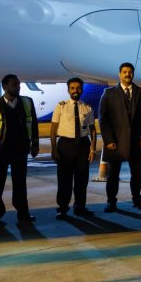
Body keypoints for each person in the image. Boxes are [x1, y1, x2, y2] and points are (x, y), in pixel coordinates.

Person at [0, 74, 39, 225]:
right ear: (4, 87)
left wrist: (35, 144)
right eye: (14, 85)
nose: (18, 87)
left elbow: (34, 125)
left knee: (20, 184)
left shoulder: (27, 102)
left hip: (20, 150)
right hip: (0, 151)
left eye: (18, 84)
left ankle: (23, 213)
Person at [99, 62, 141, 211]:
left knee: (136, 174)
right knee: (113, 174)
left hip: (137, 142)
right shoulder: (108, 93)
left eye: (130, 72)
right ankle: (111, 201)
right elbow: (103, 119)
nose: (127, 74)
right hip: (115, 142)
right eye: (124, 72)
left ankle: (137, 199)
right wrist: (108, 140)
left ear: (133, 74)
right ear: (119, 74)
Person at [51, 77, 97, 219]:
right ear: (68, 90)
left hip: (83, 145)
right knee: (64, 179)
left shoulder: (87, 108)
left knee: (81, 179)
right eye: (72, 88)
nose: (75, 90)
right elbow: (53, 130)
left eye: (78, 88)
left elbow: (92, 130)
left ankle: (80, 207)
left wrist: (93, 149)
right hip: (65, 145)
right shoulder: (61, 106)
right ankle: (62, 208)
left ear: (82, 89)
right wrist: (54, 149)